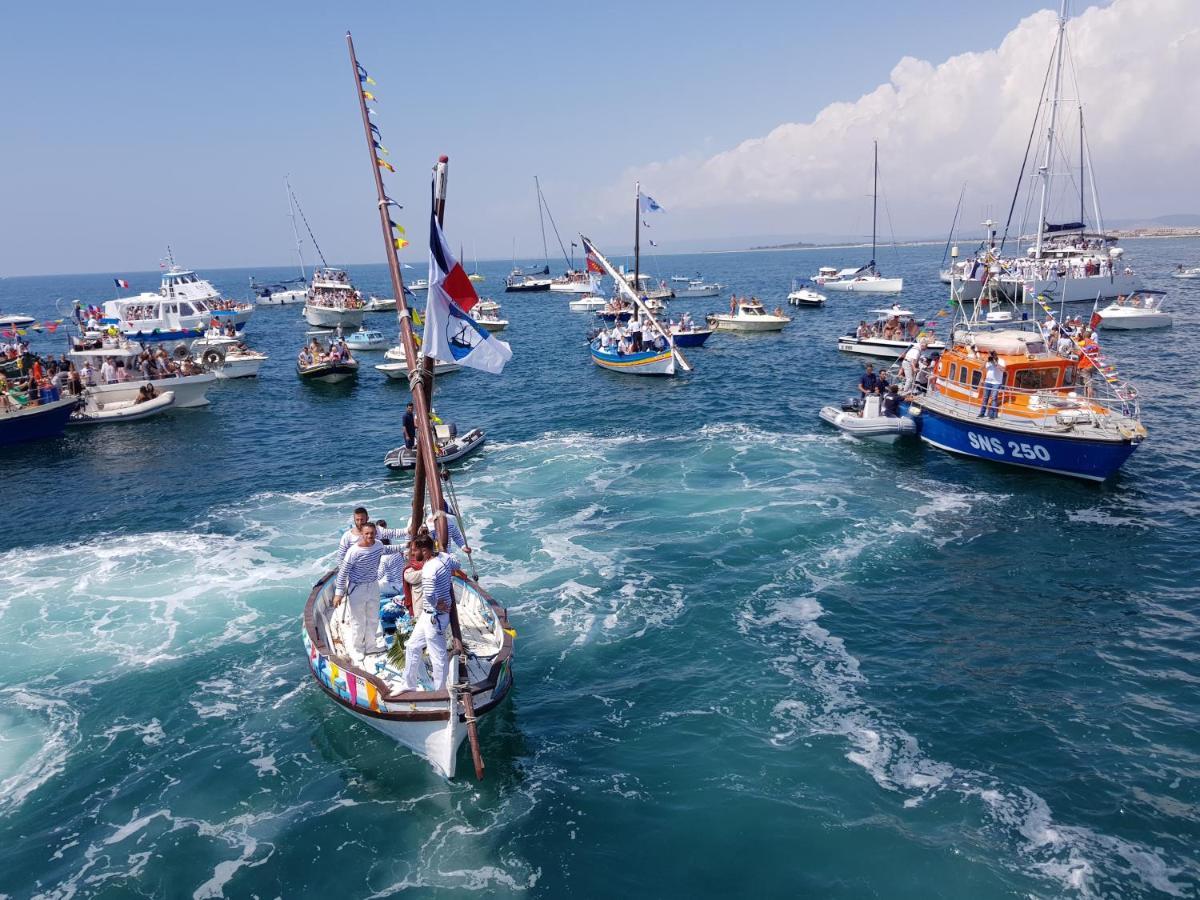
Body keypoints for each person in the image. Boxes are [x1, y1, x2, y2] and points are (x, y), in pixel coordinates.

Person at [333, 522, 405, 658]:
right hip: (357, 588)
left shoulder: (378, 545)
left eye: (372, 533)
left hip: (373, 586)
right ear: (362, 534)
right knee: (358, 620)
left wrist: (406, 545)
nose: (370, 536)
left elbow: (389, 549)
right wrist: (339, 593)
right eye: (367, 533)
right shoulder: (353, 551)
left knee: (373, 618)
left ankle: (371, 646)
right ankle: (358, 649)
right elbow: (343, 572)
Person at [399, 533, 459, 692]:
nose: (412, 554)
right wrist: (445, 553)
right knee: (412, 646)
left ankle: (440, 692)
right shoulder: (444, 558)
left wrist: (436, 605)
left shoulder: (428, 569)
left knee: (437, 656)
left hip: (435, 618)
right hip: (428, 615)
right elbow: (457, 564)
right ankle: (409, 684)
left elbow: (429, 594)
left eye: (414, 550)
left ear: (424, 550)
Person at [337, 506, 411, 563]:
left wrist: (409, 530)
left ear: (367, 518)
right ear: (354, 520)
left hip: (374, 573)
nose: (359, 522)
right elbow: (341, 558)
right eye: (357, 520)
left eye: (362, 519)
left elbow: (394, 533)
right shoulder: (347, 536)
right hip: (356, 576)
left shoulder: (377, 530)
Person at [979, 350, 1006, 418]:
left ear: (995, 355)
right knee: (985, 398)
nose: (990, 357)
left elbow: (1003, 370)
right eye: (989, 355)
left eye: (991, 355)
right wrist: (986, 360)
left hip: (996, 383)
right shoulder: (988, 361)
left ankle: (993, 415)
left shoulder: (1001, 361)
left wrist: (995, 363)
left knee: (994, 398)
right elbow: (980, 368)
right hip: (987, 382)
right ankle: (982, 413)